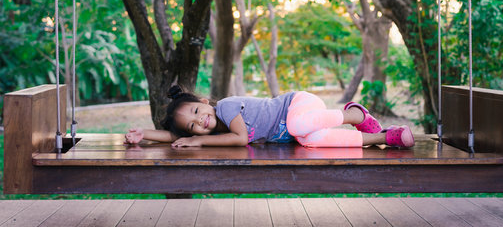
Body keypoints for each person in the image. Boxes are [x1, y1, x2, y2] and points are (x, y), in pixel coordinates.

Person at [124, 86, 414, 149]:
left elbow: (239, 139)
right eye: (193, 126)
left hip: (298, 105)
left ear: (204, 102)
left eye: (198, 112)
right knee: (310, 141)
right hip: (299, 129)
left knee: (300, 126)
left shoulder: (224, 107)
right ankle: (384, 137)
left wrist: (197, 143)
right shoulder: (212, 131)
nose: (199, 122)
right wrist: (144, 135)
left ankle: (352, 114)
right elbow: (177, 137)